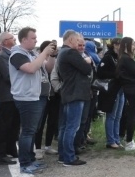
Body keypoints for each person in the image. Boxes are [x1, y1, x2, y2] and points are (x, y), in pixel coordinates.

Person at [9, 27, 55, 175]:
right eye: (33, 38)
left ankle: (31, 159)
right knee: (28, 131)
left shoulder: (33, 54)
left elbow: (48, 68)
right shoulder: (17, 55)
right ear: (24, 39)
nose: (36, 40)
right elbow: (30, 69)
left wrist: (51, 55)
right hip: (27, 97)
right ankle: (25, 163)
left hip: (38, 96)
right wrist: (43, 53)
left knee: (33, 130)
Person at [56, 30, 90, 166]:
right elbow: (86, 69)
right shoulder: (70, 52)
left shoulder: (62, 52)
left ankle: (63, 155)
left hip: (68, 92)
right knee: (72, 127)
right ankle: (69, 157)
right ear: (70, 40)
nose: (78, 43)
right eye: (77, 40)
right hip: (75, 93)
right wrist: (87, 61)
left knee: (65, 126)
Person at [114, 37, 135, 150]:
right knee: (133, 115)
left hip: (130, 88)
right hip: (133, 88)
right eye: (132, 44)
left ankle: (126, 137)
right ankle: (129, 142)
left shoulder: (124, 58)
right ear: (127, 45)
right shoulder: (126, 59)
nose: (134, 47)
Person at [0, 31, 19, 165]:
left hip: (15, 95)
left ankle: (11, 149)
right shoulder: (2, 56)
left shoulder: (12, 54)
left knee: (14, 125)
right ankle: (0, 154)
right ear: (5, 42)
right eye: (12, 38)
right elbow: (9, 76)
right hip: (7, 96)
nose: (14, 39)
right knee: (5, 125)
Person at [97, 38, 124, 149]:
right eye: (119, 44)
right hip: (112, 89)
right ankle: (110, 140)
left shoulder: (120, 57)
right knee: (111, 115)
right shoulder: (108, 57)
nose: (121, 46)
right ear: (114, 45)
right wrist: (115, 74)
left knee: (118, 116)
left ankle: (116, 139)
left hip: (120, 89)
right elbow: (100, 72)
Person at [34, 40, 60, 156]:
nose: (53, 50)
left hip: (54, 95)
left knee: (52, 121)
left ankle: (48, 145)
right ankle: (38, 147)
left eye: (54, 49)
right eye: (50, 48)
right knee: (40, 122)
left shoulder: (55, 59)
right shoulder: (38, 59)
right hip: (42, 95)